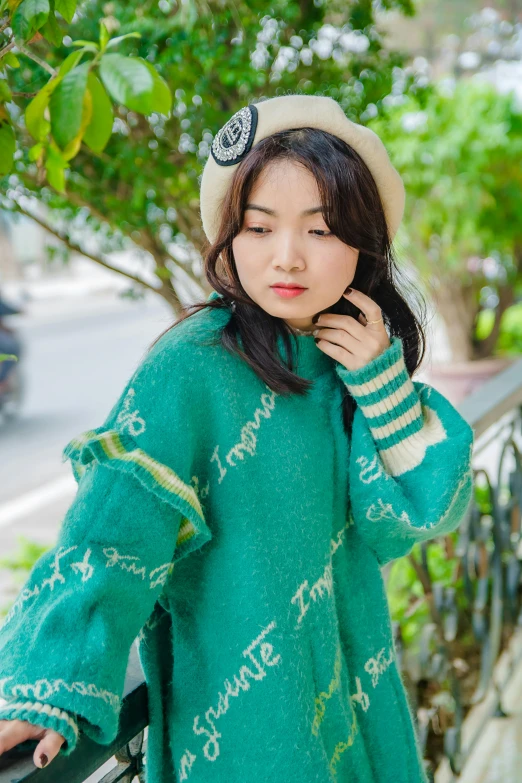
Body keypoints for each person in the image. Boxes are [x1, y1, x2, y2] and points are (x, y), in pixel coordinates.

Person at [0, 94, 475, 782]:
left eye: (321, 230)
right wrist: (46, 683)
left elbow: (419, 513)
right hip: (247, 733)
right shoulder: (190, 366)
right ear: (230, 235)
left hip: (357, 706)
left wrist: (382, 385)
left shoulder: (349, 360)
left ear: (363, 244)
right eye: (258, 227)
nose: (287, 258)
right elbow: (111, 536)